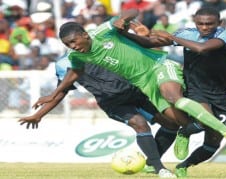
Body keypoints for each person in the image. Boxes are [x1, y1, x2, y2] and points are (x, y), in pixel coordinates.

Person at [33, 9, 226, 166]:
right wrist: (49, 99)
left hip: (158, 67)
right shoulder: (74, 57)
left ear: (84, 34)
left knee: (174, 99)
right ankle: (178, 142)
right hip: (139, 86)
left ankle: (224, 131)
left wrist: (126, 22)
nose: (72, 46)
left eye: (73, 42)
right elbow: (72, 77)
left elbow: (130, 13)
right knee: (178, 121)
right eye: (68, 45)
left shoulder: (102, 32)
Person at [123, 7, 226, 177]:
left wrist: (171, 36)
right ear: (195, 22)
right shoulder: (186, 33)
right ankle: (184, 132)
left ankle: (183, 166)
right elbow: (150, 43)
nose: (205, 27)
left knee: (213, 143)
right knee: (202, 122)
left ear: (219, 23)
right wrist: (128, 33)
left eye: (210, 24)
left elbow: (202, 48)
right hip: (196, 88)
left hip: (223, 93)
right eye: (200, 23)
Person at [18, 54, 179, 178]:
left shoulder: (101, 48)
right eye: (70, 42)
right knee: (140, 123)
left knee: (172, 124)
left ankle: (151, 162)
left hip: (136, 95)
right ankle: (160, 169)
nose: (75, 44)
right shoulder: (64, 64)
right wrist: (39, 115)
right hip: (113, 103)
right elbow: (62, 91)